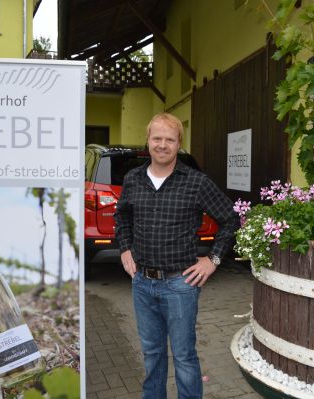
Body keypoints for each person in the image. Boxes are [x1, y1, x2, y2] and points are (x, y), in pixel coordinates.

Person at [114, 112, 240, 399]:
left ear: (178, 144)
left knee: (184, 357)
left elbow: (230, 219)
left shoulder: (196, 182)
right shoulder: (133, 179)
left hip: (180, 285)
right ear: (148, 141)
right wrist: (124, 248)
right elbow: (122, 218)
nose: (162, 145)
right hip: (142, 283)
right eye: (157, 138)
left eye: (169, 140)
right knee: (152, 354)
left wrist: (214, 260)